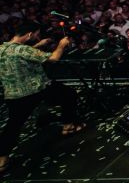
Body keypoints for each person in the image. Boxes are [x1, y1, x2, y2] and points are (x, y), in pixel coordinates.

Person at [0, 21, 83, 174]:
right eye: (36, 34)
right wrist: (61, 45)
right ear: (30, 34)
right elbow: (52, 58)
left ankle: (2, 158)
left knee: (13, 125)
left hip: (13, 94)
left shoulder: (3, 48)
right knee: (69, 95)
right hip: (38, 88)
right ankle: (68, 125)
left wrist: (38, 45)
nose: (38, 36)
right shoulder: (24, 50)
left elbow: (18, 54)